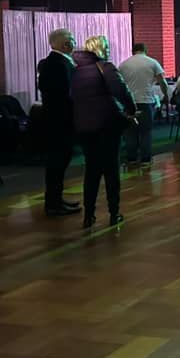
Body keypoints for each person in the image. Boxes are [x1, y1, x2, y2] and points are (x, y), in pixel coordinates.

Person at [71, 35, 137, 228]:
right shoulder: (105, 67)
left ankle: (88, 215)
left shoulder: (76, 71)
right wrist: (131, 111)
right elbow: (122, 91)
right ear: (100, 49)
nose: (109, 50)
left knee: (91, 171)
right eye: (107, 47)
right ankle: (114, 212)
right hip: (107, 126)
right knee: (110, 171)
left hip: (84, 127)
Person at [37, 28, 81, 217]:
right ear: (64, 43)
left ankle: (56, 199)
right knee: (57, 162)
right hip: (60, 122)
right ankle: (53, 203)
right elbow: (65, 95)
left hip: (57, 120)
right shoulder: (58, 64)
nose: (74, 42)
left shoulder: (54, 62)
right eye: (71, 39)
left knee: (60, 162)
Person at [118, 43, 169, 170]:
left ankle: (132, 158)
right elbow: (162, 82)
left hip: (129, 102)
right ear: (145, 50)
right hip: (146, 101)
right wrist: (166, 96)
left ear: (132, 51)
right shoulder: (152, 62)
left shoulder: (123, 64)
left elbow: (119, 84)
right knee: (146, 131)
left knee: (130, 132)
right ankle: (146, 159)